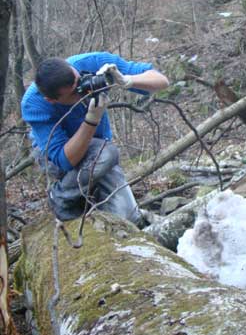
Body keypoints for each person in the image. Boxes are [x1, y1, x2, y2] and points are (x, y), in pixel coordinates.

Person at [21, 51, 169, 226]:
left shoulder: (92, 64)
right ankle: (61, 197)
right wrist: (92, 119)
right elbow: (65, 160)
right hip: (57, 157)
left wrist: (128, 80)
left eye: (80, 81)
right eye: (75, 92)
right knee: (106, 152)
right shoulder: (34, 103)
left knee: (130, 219)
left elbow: (161, 81)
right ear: (52, 100)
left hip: (99, 152)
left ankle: (94, 204)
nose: (83, 89)